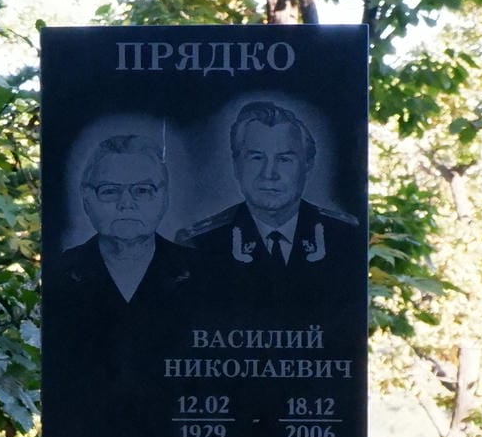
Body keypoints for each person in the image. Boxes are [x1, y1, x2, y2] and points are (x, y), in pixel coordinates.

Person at [178, 102, 360, 293]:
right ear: (236, 165)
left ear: (308, 165)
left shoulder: (345, 236)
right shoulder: (199, 244)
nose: (269, 173)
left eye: (284, 159)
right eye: (256, 158)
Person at [55, 134, 201, 311]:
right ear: (87, 198)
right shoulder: (60, 269)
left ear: (164, 197)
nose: (126, 204)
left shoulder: (200, 269)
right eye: (110, 191)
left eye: (142, 190)